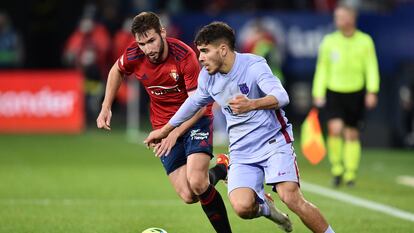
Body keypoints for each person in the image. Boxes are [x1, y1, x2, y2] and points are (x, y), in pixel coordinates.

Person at [145, 21, 335, 233]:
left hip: (273, 141)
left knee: (290, 196)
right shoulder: (207, 76)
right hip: (241, 151)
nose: (200, 58)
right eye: (199, 52)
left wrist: (252, 103)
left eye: (205, 51)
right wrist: (165, 130)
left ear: (223, 50)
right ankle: (267, 208)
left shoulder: (254, 66)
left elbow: (282, 96)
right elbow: (193, 103)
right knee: (242, 207)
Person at [96, 12, 232, 233]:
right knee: (189, 195)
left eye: (151, 41)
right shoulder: (134, 55)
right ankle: (223, 168)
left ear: (162, 33)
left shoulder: (185, 57)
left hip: (195, 122)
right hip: (163, 128)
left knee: (197, 182)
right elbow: (116, 70)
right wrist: (106, 106)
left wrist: (174, 133)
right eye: (142, 43)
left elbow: (198, 106)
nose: (148, 49)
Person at [312, 4, 380, 187]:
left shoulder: (365, 41)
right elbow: (322, 68)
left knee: (352, 134)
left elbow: (371, 67)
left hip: (356, 91)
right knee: (335, 128)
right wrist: (318, 92)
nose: (338, 20)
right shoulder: (329, 41)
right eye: (337, 17)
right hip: (334, 91)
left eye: (342, 17)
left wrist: (372, 90)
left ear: (352, 18)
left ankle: (350, 174)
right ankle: (337, 169)